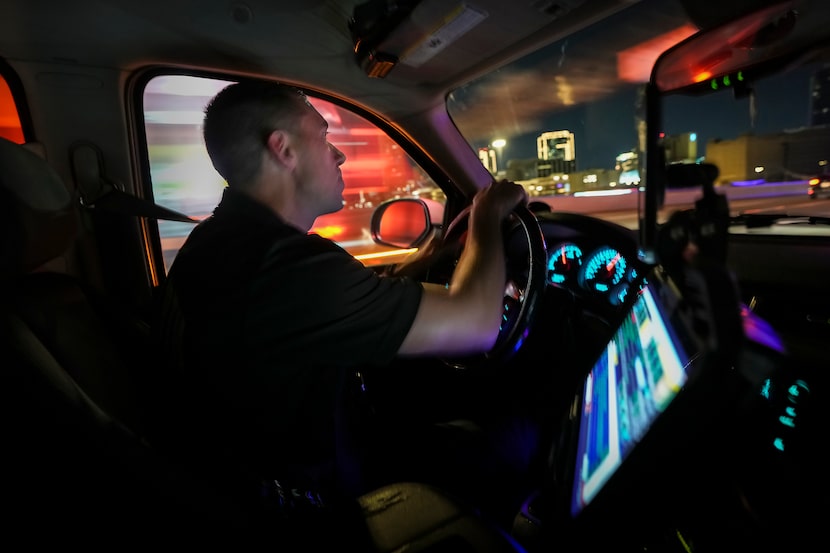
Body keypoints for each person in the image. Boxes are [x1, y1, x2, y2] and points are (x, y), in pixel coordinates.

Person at [152, 80, 543, 531]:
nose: (337, 154)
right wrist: (487, 215)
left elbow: (345, 298)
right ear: (283, 149)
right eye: (322, 137)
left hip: (255, 479)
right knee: (517, 438)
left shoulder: (217, 245)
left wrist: (430, 261)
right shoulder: (289, 269)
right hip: (312, 509)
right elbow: (477, 325)